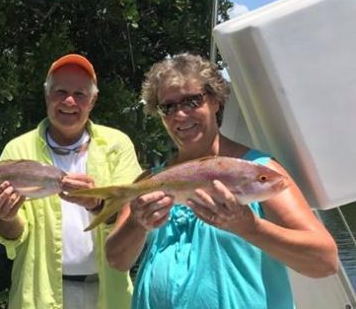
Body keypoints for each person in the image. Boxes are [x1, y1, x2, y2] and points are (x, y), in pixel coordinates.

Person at [105, 53, 339, 309]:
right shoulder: (155, 180)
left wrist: (250, 227)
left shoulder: (258, 173)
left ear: (215, 100)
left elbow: (324, 261)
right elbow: (116, 259)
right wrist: (137, 224)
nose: (180, 115)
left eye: (192, 101)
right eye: (168, 107)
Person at [0, 54, 142, 309]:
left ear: (93, 101)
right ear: (47, 96)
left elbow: (131, 218)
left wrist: (97, 204)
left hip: (106, 294)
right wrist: (6, 215)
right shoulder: (18, 149)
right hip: (39, 296)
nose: (69, 101)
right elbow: (11, 236)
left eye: (80, 94)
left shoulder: (118, 145)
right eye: (60, 91)